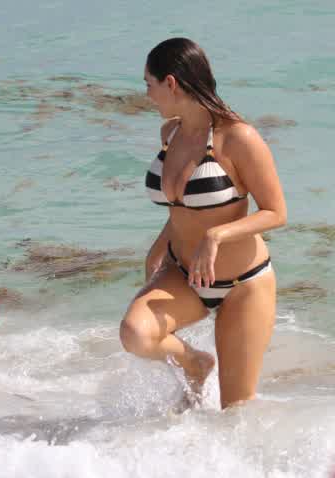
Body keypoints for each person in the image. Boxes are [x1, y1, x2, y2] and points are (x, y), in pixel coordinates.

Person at [120, 38, 287, 409]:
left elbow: (276, 212)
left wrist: (216, 235)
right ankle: (195, 363)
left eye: (149, 84)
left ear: (171, 83)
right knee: (135, 333)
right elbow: (183, 208)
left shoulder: (238, 137)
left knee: (235, 413)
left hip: (243, 284)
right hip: (183, 274)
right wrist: (158, 248)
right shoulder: (170, 134)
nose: (147, 96)